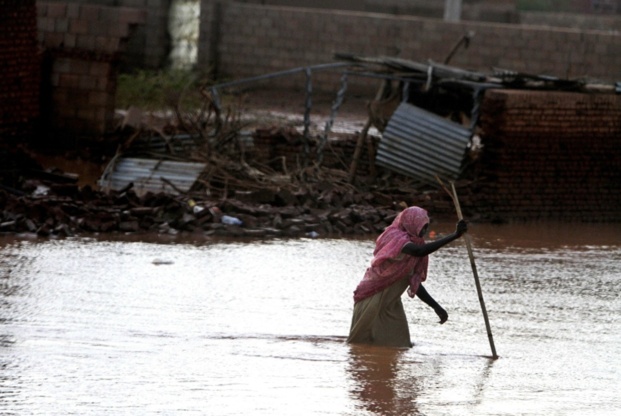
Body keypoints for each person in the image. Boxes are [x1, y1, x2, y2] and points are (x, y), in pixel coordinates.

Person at [347, 206, 468, 348]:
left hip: (390, 304)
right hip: (372, 297)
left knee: (400, 344)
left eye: (426, 227)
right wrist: (454, 236)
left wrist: (436, 307)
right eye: (423, 227)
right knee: (360, 345)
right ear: (412, 223)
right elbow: (418, 251)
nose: (425, 231)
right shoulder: (395, 237)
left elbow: (413, 281)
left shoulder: (416, 244)